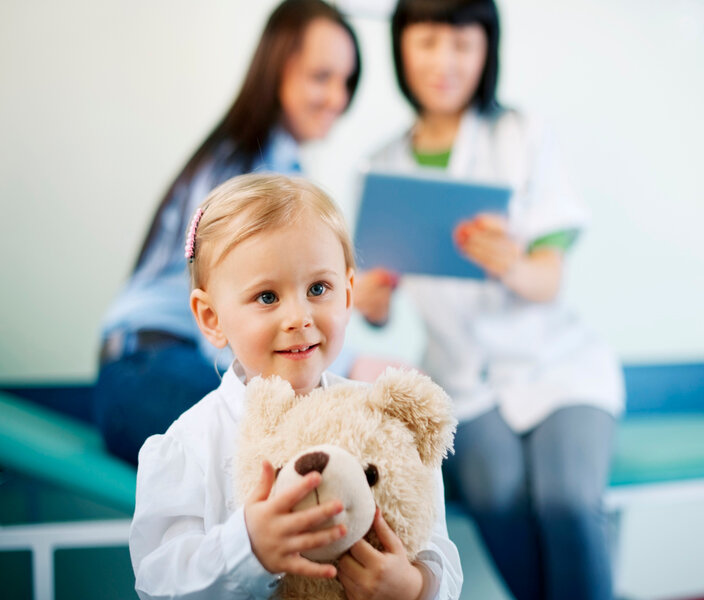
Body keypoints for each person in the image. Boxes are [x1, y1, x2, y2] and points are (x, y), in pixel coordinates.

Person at [354, 1, 625, 599]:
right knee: (497, 495)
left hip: (560, 368)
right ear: (401, 47)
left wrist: (513, 264)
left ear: (487, 51)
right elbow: (377, 313)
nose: (444, 62)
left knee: (568, 500)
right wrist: (368, 300)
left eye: (462, 44)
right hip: (463, 382)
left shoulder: (521, 135)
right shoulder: (382, 166)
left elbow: (549, 279)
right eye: (427, 42)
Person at [129, 173, 463, 600]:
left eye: (318, 289)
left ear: (347, 294)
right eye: (267, 297)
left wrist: (416, 586)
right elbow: (159, 583)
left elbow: (437, 549)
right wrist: (248, 546)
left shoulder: (380, 422)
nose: (300, 317)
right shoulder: (190, 445)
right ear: (211, 318)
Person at [94, 0, 361, 465]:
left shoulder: (283, 169)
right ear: (277, 70)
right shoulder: (241, 174)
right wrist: (352, 368)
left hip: (161, 363)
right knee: (312, 442)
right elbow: (236, 338)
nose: (338, 97)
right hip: (146, 368)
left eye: (347, 82)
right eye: (322, 77)